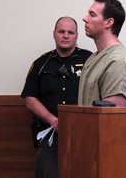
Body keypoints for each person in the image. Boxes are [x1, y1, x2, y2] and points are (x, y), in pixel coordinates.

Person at [21, 16, 92, 178]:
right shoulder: (41, 64)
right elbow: (30, 100)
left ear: (76, 36)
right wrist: (53, 120)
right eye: (61, 31)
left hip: (84, 133)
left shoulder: (90, 60)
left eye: (70, 32)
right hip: (50, 133)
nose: (65, 35)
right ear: (54, 34)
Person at [78, 0, 126, 106]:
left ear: (108, 22)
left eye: (92, 15)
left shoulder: (119, 61)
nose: (85, 18)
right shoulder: (94, 57)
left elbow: (111, 118)